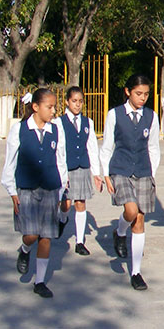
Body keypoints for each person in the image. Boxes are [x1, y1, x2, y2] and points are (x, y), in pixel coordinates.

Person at [1, 89, 68, 298]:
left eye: (55, 106)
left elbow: (61, 161)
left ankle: (39, 281)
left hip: (50, 188)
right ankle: (24, 249)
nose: (53, 111)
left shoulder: (56, 130)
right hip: (27, 189)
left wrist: (60, 190)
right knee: (31, 234)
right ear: (35, 107)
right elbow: (10, 162)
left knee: (46, 236)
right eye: (49, 107)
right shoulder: (20, 130)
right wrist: (13, 192)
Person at [99, 74, 160, 290]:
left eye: (146, 94)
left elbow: (153, 147)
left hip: (143, 171)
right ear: (128, 92)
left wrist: (152, 172)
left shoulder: (151, 117)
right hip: (121, 169)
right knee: (131, 210)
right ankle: (120, 230)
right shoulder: (114, 115)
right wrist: (105, 174)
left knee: (140, 219)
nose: (142, 98)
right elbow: (107, 146)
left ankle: (135, 272)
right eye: (138, 94)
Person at [53, 86, 103, 255]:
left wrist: (96, 173)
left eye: (80, 101)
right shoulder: (59, 122)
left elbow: (92, 148)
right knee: (66, 203)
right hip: (67, 167)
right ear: (67, 102)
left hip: (83, 167)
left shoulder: (88, 122)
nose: (77, 105)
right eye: (74, 101)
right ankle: (62, 218)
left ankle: (80, 241)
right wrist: (61, 171)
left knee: (81, 203)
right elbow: (59, 148)